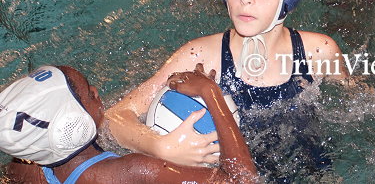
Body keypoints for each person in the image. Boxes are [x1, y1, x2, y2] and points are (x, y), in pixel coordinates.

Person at [106, 0, 346, 167]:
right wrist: (159, 146)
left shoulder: (318, 52)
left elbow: (352, 103)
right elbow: (114, 118)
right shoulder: (201, 56)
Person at [0, 64, 257, 184]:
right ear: (73, 126)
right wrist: (210, 92)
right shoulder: (130, 171)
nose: (96, 90)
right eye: (90, 94)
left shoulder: (24, 171)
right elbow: (242, 180)